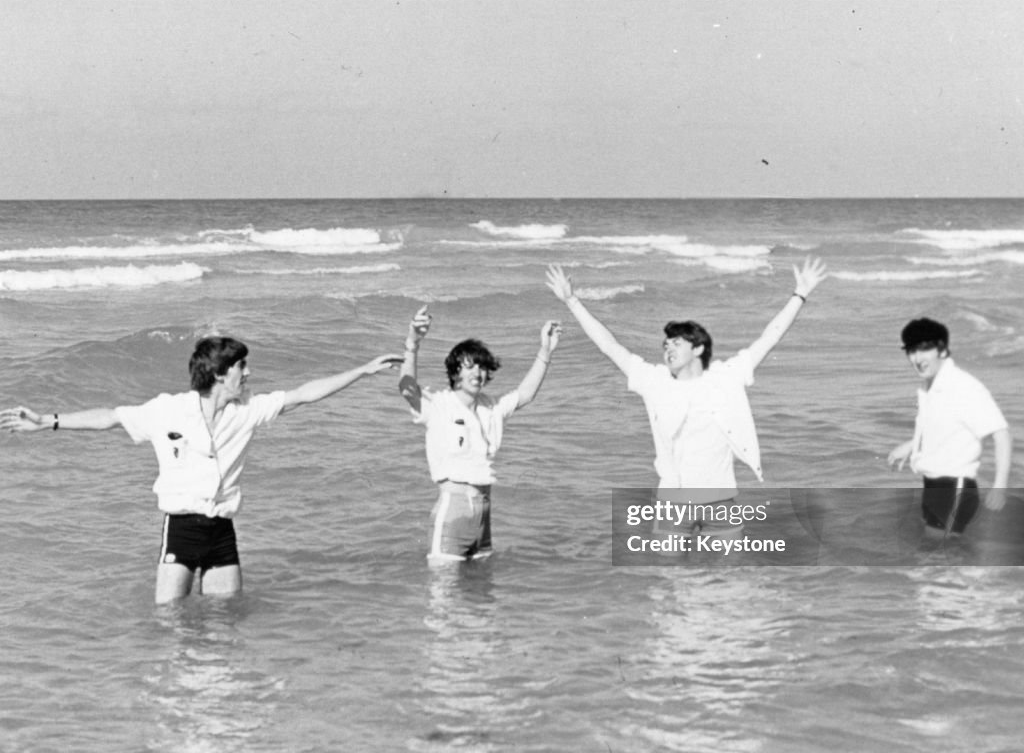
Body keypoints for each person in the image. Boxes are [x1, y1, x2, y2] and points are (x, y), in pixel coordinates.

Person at [0, 337, 403, 603]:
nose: (249, 374)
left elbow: (303, 395)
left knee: (224, 626)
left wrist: (362, 371)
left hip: (222, 533)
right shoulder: (167, 409)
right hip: (181, 529)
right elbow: (111, 417)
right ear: (219, 373)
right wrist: (47, 421)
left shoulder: (247, 412)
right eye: (242, 367)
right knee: (170, 625)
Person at [545, 259, 827, 504]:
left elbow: (769, 338)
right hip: (673, 499)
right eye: (666, 343)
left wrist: (799, 293)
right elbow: (610, 345)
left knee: (726, 566)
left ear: (698, 349)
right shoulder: (654, 380)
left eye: (676, 343)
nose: (668, 348)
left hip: (719, 501)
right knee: (669, 567)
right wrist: (572, 301)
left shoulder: (726, 376)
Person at [399, 305, 561, 562]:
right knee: (445, 596)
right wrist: (413, 342)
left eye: (482, 368)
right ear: (455, 373)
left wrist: (545, 351)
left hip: (483, 516)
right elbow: (407, 388)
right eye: (470, 366)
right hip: (454, 511)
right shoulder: (439, 404)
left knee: (482, 596)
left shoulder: (491, 407)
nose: (478, 373)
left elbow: (525, 394)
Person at [886, 317, 1011, 535]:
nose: (917, 358)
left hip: (956, 488)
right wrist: (911, 445)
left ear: (942, 350)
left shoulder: (964, 387)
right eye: (912, 351)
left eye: (925, 349)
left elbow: (1002, 434)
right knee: (940, 557)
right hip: (934, 485)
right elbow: (941, 427)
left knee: (937, 558)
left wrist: (1000, 486)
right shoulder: (932, 386)